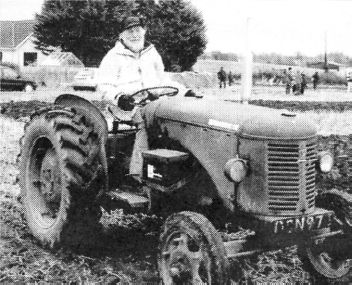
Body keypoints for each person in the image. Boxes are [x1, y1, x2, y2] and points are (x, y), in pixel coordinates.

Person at [97, 16, 190, 180]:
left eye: (137, 30)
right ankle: (137, 173)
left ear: (144, 31)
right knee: (144, 120)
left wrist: (183, 91)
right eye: (130, 31)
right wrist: (119, 98)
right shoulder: (113, 56)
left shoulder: (152, 54)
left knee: (176, 116)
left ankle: (174, 167)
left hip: (151, 101)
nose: (135, 35)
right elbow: (104, 87)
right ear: (121, 35)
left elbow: (162, 81)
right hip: (123, 105)